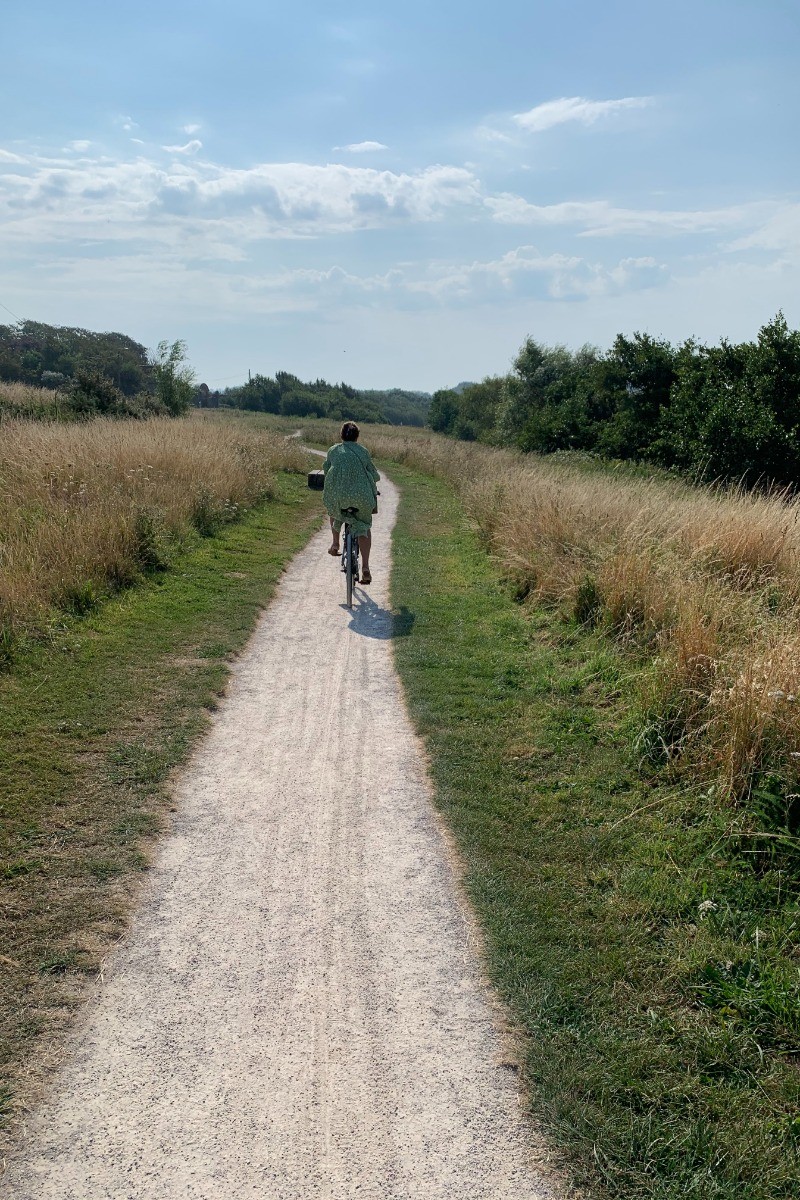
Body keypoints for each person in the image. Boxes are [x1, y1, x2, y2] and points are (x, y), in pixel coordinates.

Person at [322, 422, 380, 585]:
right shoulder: (363, 452)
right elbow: (373, 474)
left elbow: (327, 470)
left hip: (340, 496)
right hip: (361, 498)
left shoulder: (333, 450)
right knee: (364, 527)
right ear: (357, 436)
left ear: (342, 435)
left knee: (334, 511)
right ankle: (366, 568)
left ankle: (335, 543)